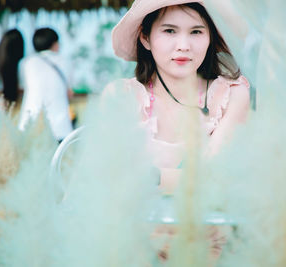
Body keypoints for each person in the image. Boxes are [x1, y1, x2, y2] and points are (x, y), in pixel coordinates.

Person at [107, 0, 250, 263]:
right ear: (146, 38)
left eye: (196, 31)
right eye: (170, 31)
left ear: (211, 37)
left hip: (209, 246)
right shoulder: (122, 96)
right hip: (133, 245)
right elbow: (109, 182)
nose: (183, 44)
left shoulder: (232, 94)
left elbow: (214, 181)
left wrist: (149, 177)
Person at [18, 27, 73, 143]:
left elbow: (22, 87)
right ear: (54, 44)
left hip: (30, 122)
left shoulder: (26, 62)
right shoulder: (66, 61)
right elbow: (69, 91)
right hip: (60, 126)